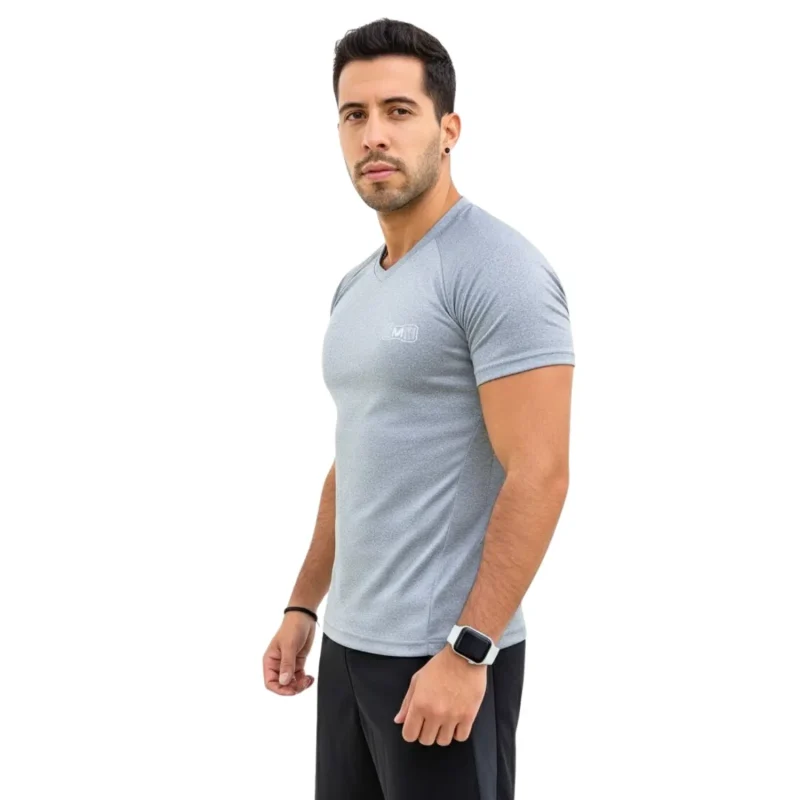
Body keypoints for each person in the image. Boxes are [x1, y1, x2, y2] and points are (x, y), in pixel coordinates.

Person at [263, 17, 575, 800]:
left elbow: (540, 472)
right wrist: (305, 604)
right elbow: (357, 456)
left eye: (398, 111)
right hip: (349, 649)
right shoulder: (355, 286)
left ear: (449, 128)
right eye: (355, 114)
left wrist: (469, 651)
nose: (374, 134)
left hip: (442, 658)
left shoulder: (497, 269)